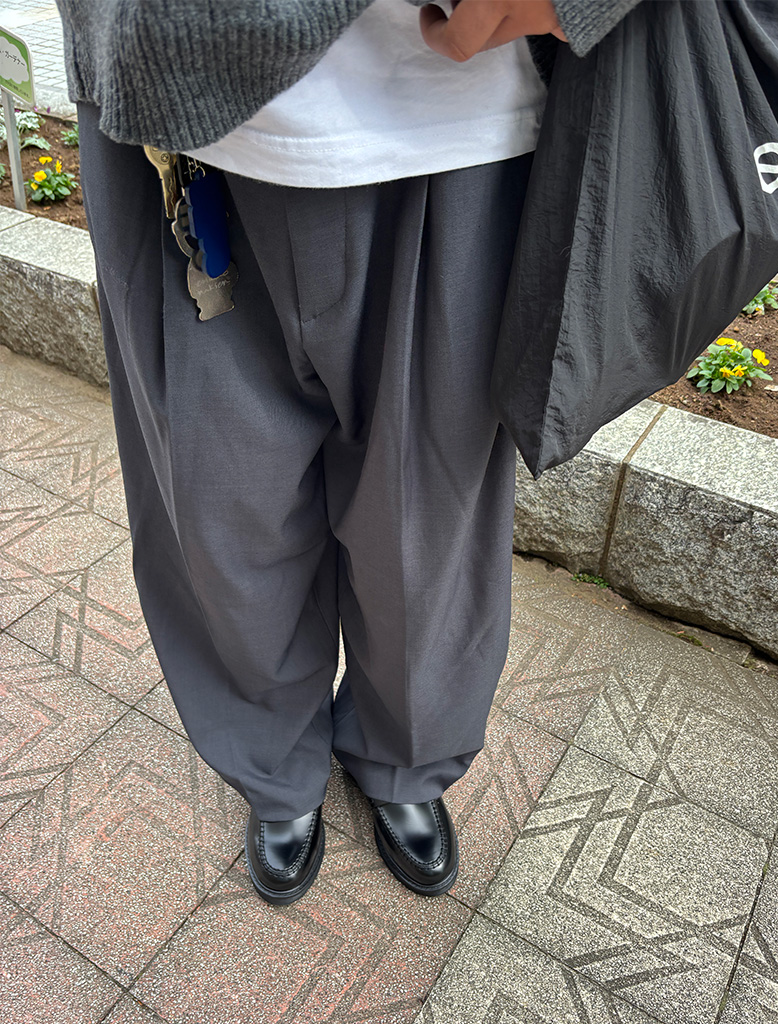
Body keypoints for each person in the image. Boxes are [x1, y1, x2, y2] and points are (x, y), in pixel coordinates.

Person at [58, 0, 639, 904]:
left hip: (455, 125)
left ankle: (404, 754)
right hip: (175, 121)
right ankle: (272, 762)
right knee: (219, 509)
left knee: (426, 522)